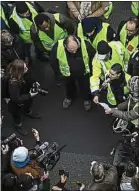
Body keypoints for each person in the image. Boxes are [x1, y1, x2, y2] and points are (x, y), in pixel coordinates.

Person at [51, 35, 96, 111]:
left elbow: (93, 58)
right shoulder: (57, 47)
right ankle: (69, 97)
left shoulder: (86, 45)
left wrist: (92, 72)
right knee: (69, 86)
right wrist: (58, 74)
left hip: (83, 73)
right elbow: (53, 62)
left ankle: (86, 99)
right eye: (71, 50)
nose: (74, 52)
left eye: (76, 49)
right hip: (67, 73)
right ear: (65, 46)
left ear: (78, 43)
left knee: (85, 86)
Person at [7, 59, 41, 136]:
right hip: (16, 101)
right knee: (16, 114)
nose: (27, 69)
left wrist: (35, 82)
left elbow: (31, 76)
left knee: (28, 104)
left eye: (26, 67)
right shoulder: (13, 83)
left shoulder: (25, 72)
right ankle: (18, 125)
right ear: (19, 71)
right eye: (25, 68)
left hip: (25, 92)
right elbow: (16, 99)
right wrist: (30, 95)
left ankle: (27, 112)